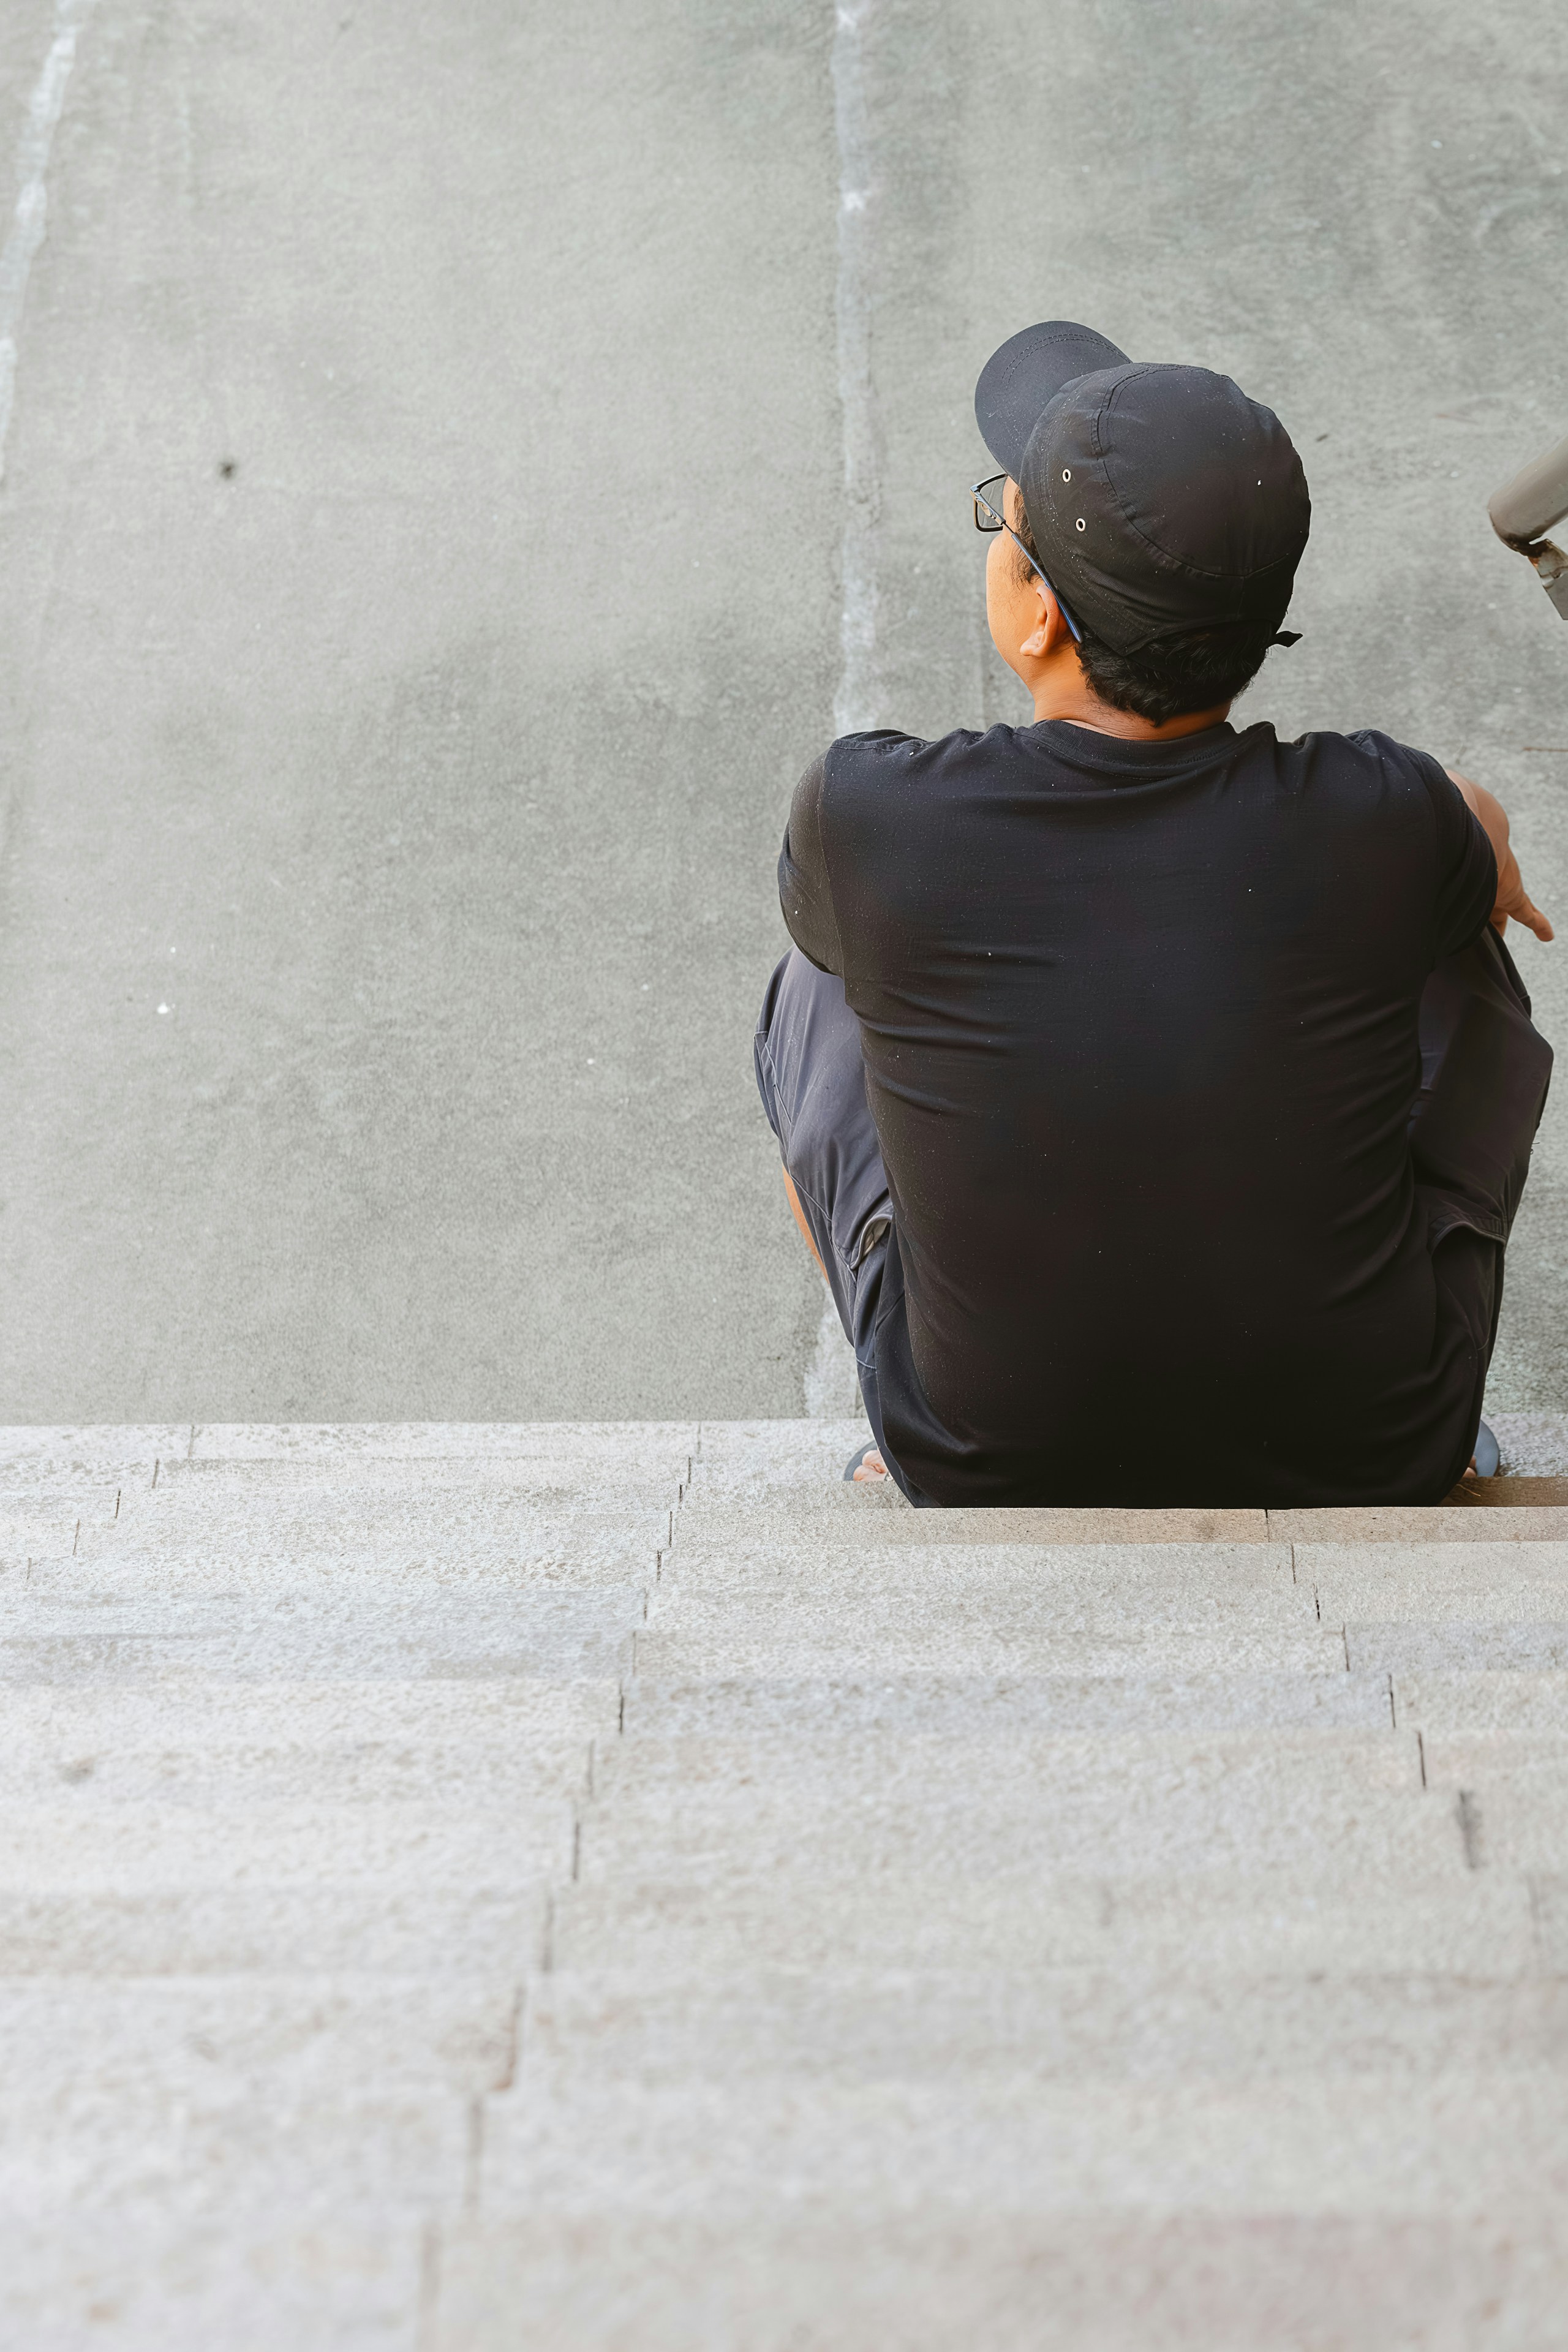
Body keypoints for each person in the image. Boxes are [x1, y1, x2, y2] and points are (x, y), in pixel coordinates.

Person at [755, 321, 1554, 1507]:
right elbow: (1474, 830)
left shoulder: (864, 813)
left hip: (973, 1446)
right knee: (1461, 934)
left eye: (1001, 520)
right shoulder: (1384, 813)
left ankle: (903, 1396)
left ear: (1035, 615)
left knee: (818, 978)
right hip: (1377, 1437)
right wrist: (1466, 841)